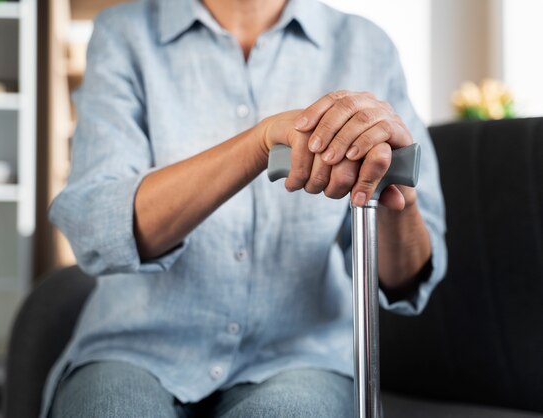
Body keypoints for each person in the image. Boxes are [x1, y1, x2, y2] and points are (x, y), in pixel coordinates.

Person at [42, 0, 447, 416]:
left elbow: (406, 278)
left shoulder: (367, 46)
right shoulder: (124, 33)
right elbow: (99, 230)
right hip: (135, 350)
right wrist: (258, 144)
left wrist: (395, 194)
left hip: (301, 357)